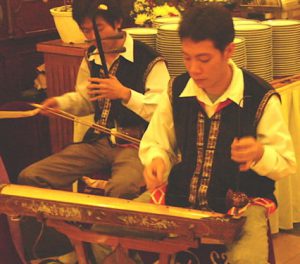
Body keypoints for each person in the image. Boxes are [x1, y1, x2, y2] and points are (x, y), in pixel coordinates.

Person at [139, 5, 296, 264]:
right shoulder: (176, 90)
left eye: (203, 59)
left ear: (228, 51)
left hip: (242, 206)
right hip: (181, 195)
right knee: (110, 230)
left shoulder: (260, 97)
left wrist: (259, 153)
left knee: (247, 260)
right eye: (187, 58)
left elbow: (285, 163)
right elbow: (157, 142)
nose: (193, 69)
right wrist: (157, 160)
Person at [18, 0, 170, 201]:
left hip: (136, 146)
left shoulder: (150, 60)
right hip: (97, 143)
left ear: (117, 22)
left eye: (97, 29)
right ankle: (64, 230)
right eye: (86, 31)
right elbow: (86, 100)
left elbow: (162, 112)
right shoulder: (92, 57)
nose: (91, 37)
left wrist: (125, 94)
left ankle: (107, 232)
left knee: (121, 189)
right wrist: (61, 104)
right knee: (31, 177)